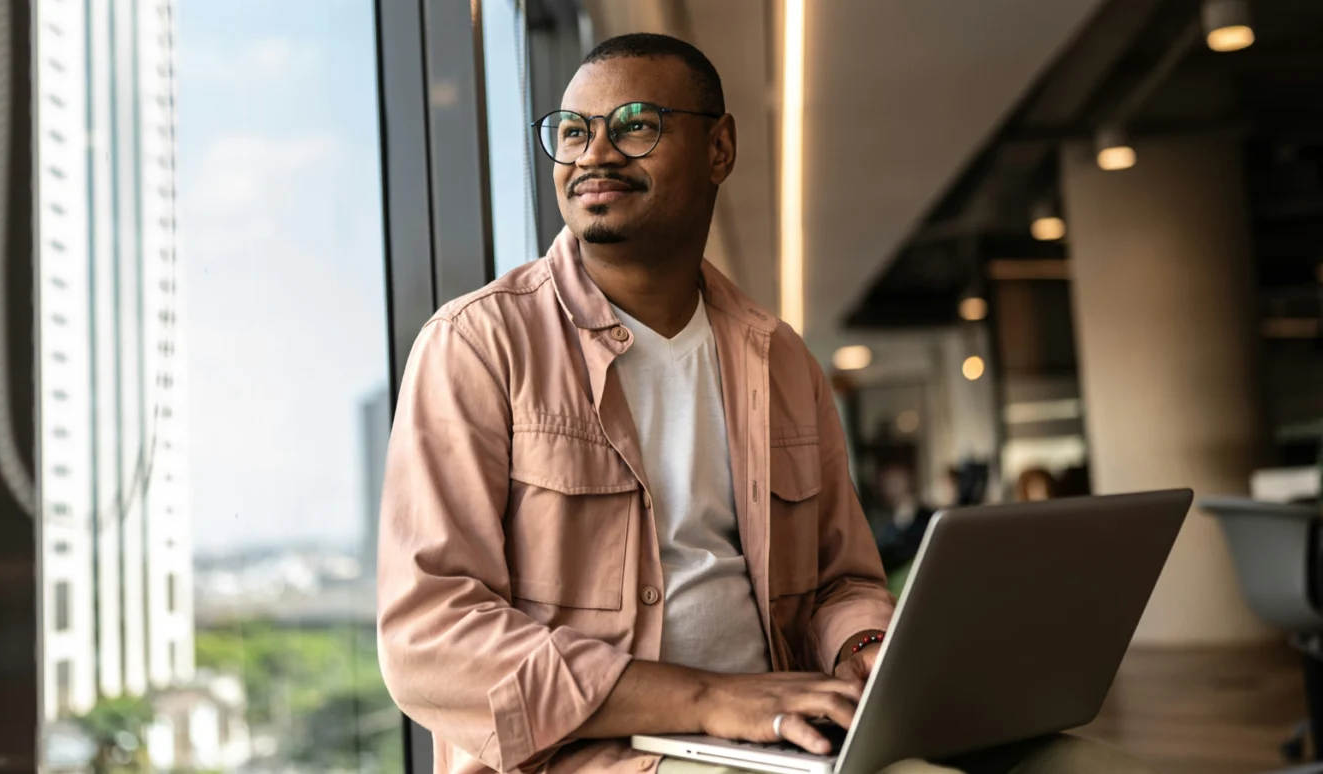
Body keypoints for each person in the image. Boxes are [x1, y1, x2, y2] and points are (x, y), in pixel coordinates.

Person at [377, 33, 1152, 774]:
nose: (595, 154)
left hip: (785, 722)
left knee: (1086, 764)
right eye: (573, 132)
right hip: (605, 753)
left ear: (720, 148)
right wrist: (712, 700)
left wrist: (863, 651)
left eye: (635, 126)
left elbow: (840, 583)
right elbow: (429, 639)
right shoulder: (478, 344)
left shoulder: (779, 357)